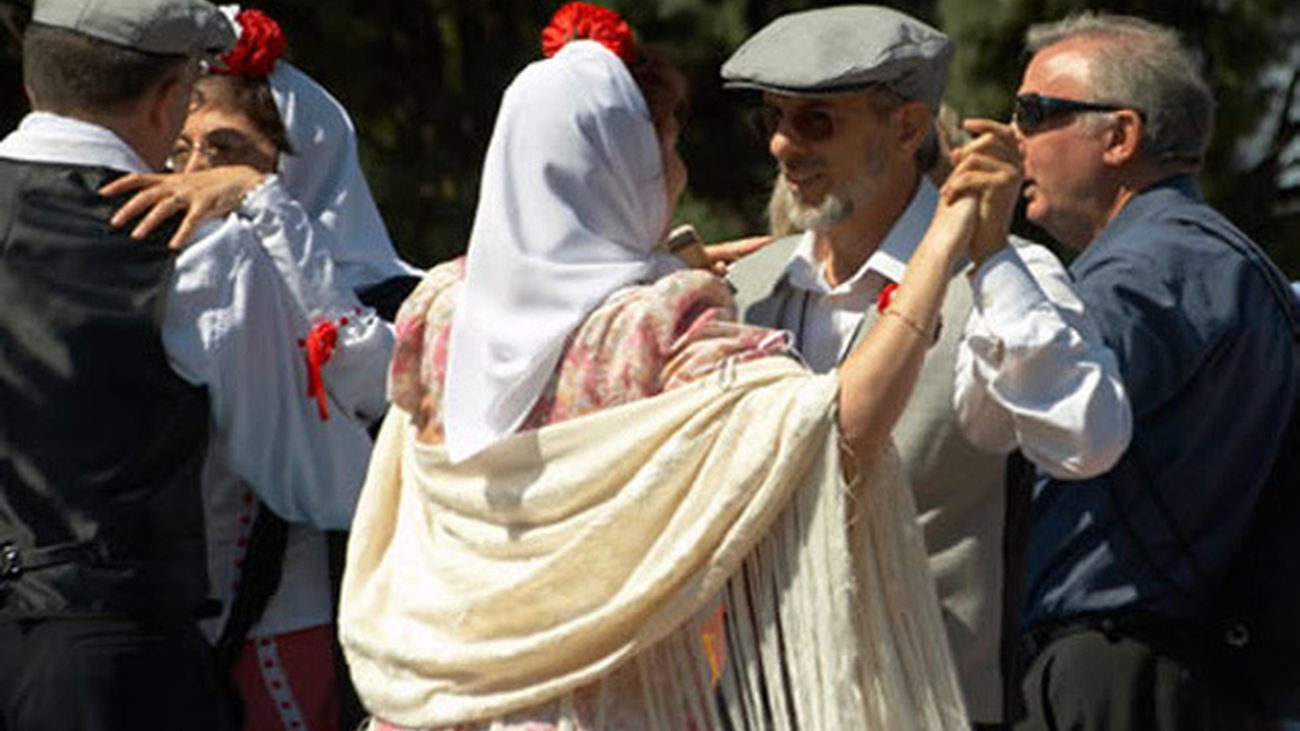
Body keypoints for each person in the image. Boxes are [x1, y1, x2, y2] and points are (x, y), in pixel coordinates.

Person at [335, 3, 1024, 729]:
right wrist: (944, 241)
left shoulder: (440, 309)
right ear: (624, 168)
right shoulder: (660, 325)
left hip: (432, 704)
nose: (681, 171)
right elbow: (831, 433)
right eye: (666, 148)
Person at [721, 6, 1131, 727]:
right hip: (757, 705)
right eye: (771, 119)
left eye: (816, 121)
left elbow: (1088, 438)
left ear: (908, 128)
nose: (784, 144)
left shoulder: (1000, 276)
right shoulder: (742, 289)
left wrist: (991, 254)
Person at [0, 0, 386, 729]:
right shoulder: (197, 248)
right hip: (112, 663)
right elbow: (318, 481)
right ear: (170, 97)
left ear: (31, 81)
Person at [99, 8, 411, 729]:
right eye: (181, 149)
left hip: (295, 626)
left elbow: (369, 385)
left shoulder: (390, 299)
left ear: (300, 168)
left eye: (226, 149)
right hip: (170, 633)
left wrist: (260, 204)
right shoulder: (162, 273)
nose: (193, 175)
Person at [1003, 13, 1296, 730]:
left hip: (1113, 672)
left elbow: (1043, 418)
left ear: (1120, 136)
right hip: (1178, 668)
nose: (1012, 137)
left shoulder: (1147, 267)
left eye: (1034, 113)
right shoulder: (1208, 257)